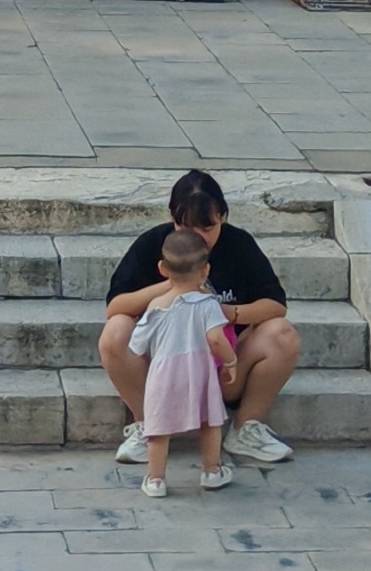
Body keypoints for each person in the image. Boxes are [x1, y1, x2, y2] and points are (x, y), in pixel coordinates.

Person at [100, 168, 299, 467]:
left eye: (207, 228)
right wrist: (173, 284)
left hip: (221, 369)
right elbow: (116, 305)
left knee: (282, 334)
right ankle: (148, 425)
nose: (198, 239)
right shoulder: (153, 244)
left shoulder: (238, 245)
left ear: (223, 216)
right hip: (164, 372)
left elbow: (275, 305)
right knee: (115, 331)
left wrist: (227, 313)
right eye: (186, 228)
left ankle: (246, 428)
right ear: (172, 219)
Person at [123, 226, 235, 498]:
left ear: (162, 269)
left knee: (159, 429)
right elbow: (217, 339)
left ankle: (156, 479)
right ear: (205, 270)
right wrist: (230, 362)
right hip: (201, 373)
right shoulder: (208, 305)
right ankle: (211, 471)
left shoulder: (156, 306)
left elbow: (137, 345)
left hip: (164, 375)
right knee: (210, 423)